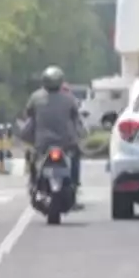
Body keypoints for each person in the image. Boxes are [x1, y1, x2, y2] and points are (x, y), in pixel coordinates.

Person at [20, 66, 85, 207]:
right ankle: (75, 183)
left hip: (42, 144)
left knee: (31, 157)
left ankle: (32, 181)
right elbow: (76, 118)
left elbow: (28, 115)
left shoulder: (35, 97)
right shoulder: (69, 99)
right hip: (65, 143)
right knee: (76, 156)